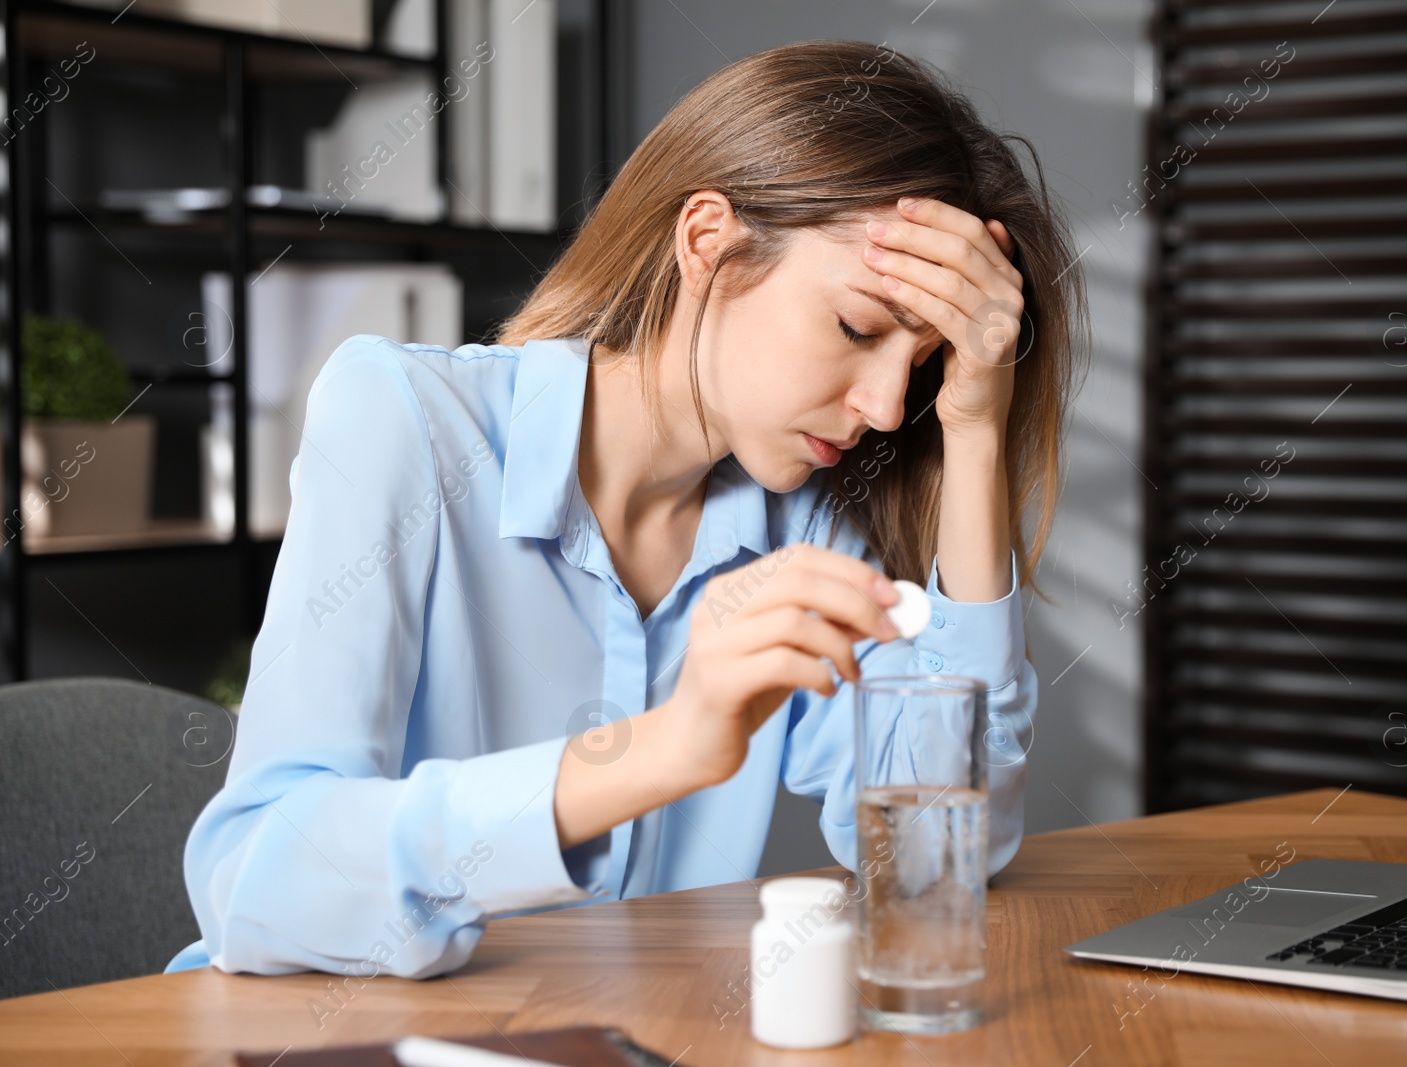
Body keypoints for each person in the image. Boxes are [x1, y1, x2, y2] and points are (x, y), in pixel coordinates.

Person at [168, 38, 1086, 980]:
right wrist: (654, 751)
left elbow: (934, 854)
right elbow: (251, 882)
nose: (890, 407)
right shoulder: (406, 422)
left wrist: (975, 433)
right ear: (708, 242)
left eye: (925, 364)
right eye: (857, 327)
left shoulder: (801, 525)